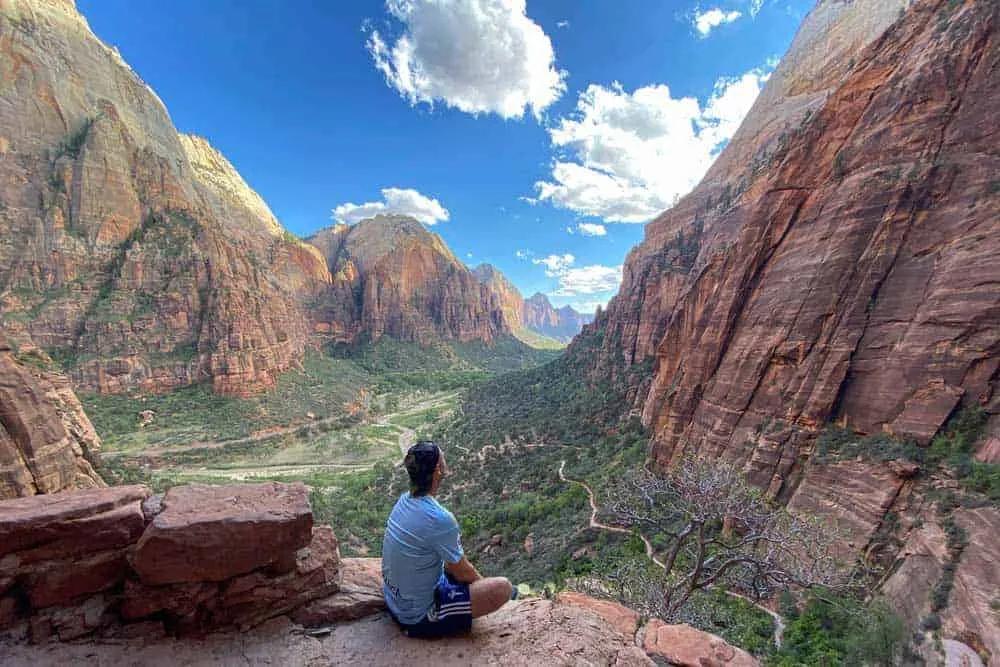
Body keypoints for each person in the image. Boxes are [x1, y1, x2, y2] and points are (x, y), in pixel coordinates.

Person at [382, 440, 515, 638]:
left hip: (393, 599)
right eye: (443, 458)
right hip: (417, 617)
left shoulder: (403, 501)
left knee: (449, 570)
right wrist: (482, 588)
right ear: (438, 469)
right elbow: (463, 572)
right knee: (503, 588)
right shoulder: (440, 518)